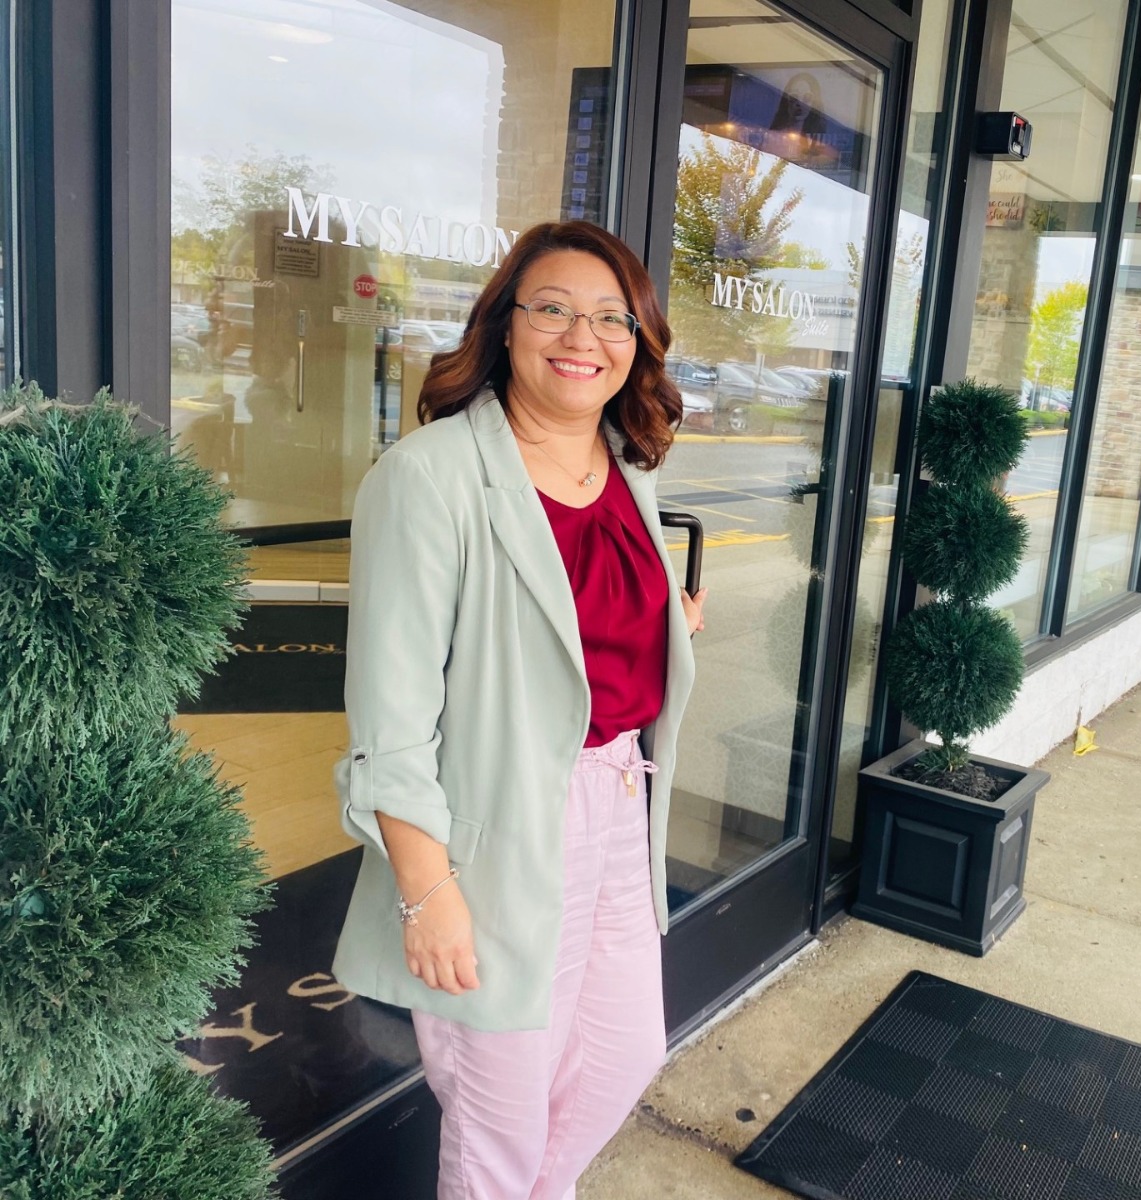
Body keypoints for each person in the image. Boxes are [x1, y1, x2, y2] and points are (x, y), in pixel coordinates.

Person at [330, 220, 707, 1200]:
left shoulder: (628, 466)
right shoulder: (430, 476)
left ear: (637, 341)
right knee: (500, 1120)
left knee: (621, 1055)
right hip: (495, 829)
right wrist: (428, 893)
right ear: (504, 325)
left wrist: (661, 626)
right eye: (553, 310)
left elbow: (567, 630)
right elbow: (390, 721)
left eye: (611, 318)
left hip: (620, 801)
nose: (583, 337)